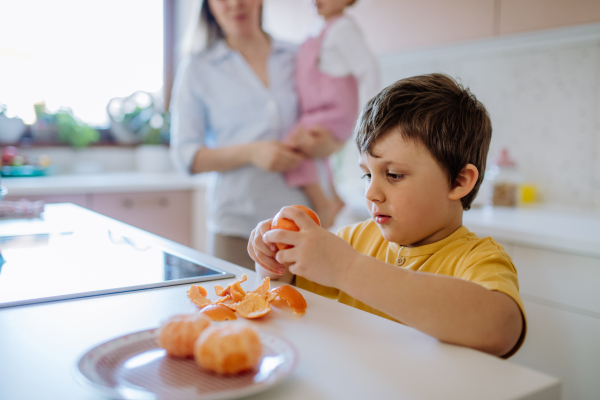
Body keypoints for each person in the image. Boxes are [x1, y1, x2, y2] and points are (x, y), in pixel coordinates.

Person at [248, 74, 526, 358]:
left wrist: (348, 269)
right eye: (367, 174)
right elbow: (287, 289)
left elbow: (501, 328)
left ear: (458, 181)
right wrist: (273, 257)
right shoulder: (353, 240)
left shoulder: (477, 259)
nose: (371, 193)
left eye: (393, 175)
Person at [170, 0, 340, 270]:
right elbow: (185, 157)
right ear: (208, 6)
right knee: (238, 309)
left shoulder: (299, 56)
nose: (235, 4)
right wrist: (252, 152)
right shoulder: (198, 69)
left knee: (312, 310)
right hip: (237, 228)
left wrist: (326, 143)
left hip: (306, 224)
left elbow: (331, 126)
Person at [283, 0, 380, 229]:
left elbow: (369, 69)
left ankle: (325, 203)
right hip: (319, 111)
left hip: (334, 111)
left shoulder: (343, 29)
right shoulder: (318, 31)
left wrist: (371, 118)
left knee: (292, 145)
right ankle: (334, 196)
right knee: (311, 152)